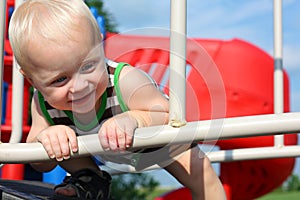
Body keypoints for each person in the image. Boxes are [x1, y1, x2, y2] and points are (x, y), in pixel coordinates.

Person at [8, 0, 226, 199]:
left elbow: (167, 114)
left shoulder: (125, 80)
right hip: (95, 145)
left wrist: (134, 120)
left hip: (157, 141)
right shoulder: (42, 102)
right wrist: (48, 139)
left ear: (100, 46)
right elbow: (39, 163)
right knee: (61, 140)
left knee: (200, 171)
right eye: (60, 79)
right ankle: (90, 178)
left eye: (88, 66)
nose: (81, 86)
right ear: (33, 81)